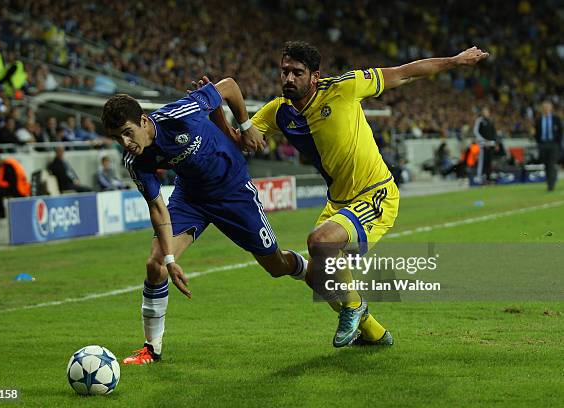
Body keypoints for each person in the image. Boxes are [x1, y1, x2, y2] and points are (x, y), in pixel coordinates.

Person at [243, 41, 488, 347]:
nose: (288, 78)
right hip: (339, 202)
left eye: (297, 72)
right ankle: (374, 334)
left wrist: (454, 60)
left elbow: (404, 73)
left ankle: (354, 305)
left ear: (315, 76)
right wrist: (224, 115)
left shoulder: (346, 87)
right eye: (284, 71)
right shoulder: (278, 112)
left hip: (376, 194)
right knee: (319, 279)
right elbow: (242, 137)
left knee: (319, 241)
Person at [100, 77, 308, 365]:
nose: (125, 143)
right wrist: (171, 259)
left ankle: (308, 268)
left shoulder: (181, 113)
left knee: (277, 267)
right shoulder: (136, 161)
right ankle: (151, 348)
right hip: (191, 197)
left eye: (127, 132)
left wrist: (246, 128)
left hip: (232, 190)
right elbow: (158, 208)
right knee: (155, 265)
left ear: (144, 121)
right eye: (117, 138)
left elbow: (231, 86)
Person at [0, 152, 30, 218]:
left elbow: (11, 183)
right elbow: (1, 182)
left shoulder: (8, 166)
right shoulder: (5, 165)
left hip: (19, 190)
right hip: (16, 188)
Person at [534, 100, 562, 191]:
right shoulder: (539, 120)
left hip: (553, 144)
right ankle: (550, 180)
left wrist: (557, 144)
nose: (545, 109)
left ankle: (551, 185)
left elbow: (560, 132)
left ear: (551, 108)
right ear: (542, 109)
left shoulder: (556, 119)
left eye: (547, 107)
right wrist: (539, 143)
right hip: (543, 144)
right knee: (546, 165)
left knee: (551, 164)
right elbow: (537, 133)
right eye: (544, 107)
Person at [473, 106, 497, 184]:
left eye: (487, 111)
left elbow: (494, 133)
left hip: (490, 144)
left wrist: (494, 142)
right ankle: (480, 178)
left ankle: (488, 178)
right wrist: (483, 141)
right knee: (482, 162)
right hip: (483, 145)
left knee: (489, 162)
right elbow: (476, 132)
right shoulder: (480, 120)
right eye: (484, 111)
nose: (486, 113)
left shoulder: (490, 121)